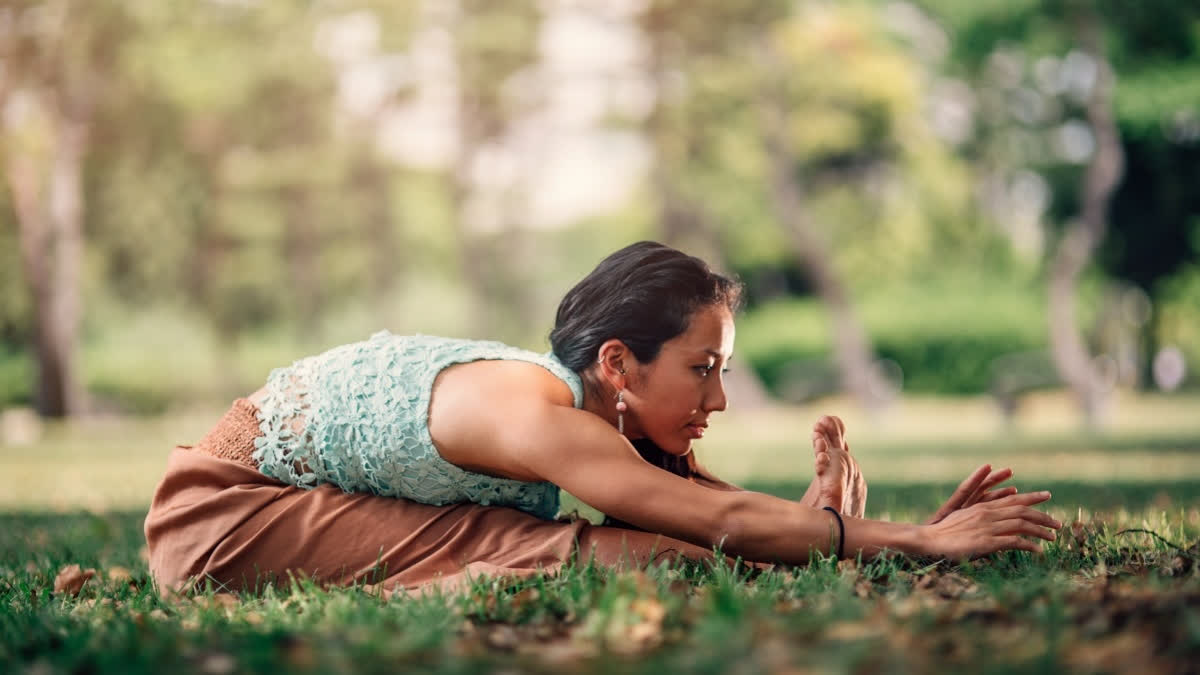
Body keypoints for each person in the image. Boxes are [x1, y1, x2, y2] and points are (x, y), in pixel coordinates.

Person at [144, 241, 1061, 595]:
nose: (718, 399)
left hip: (265, 501)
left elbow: (707, 512)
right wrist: (907, 540)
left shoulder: (588, 410)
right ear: (617, 362)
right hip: (222, 513)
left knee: (651, 545)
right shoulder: (540, 415)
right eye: (702, 370)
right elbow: (720, 526)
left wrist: (839, 526)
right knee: (582, 551)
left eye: (724, 371)